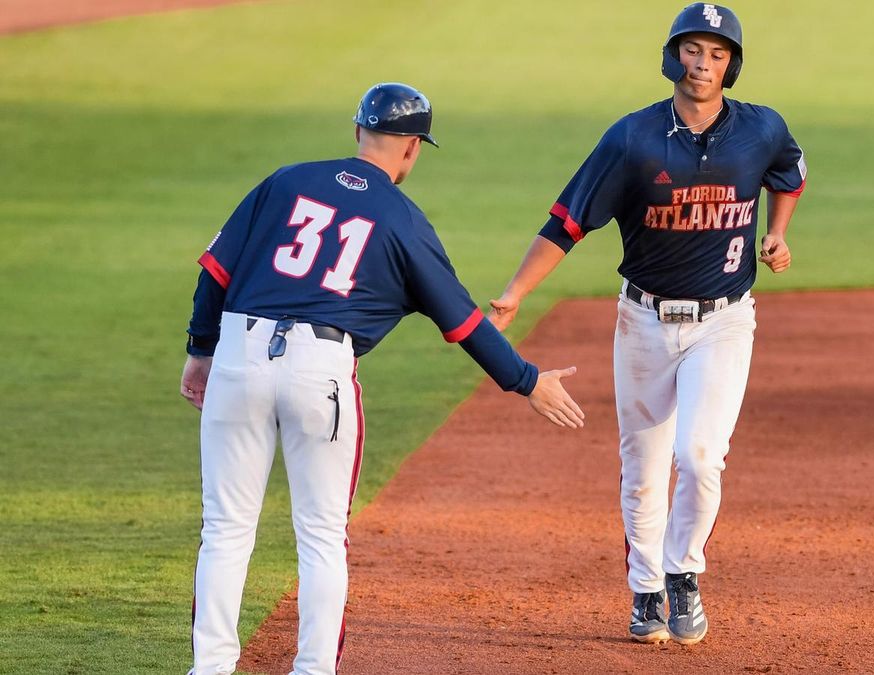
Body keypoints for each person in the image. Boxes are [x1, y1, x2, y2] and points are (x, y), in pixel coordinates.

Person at [179, 82, 585, 675]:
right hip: (320, 370)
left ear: (356, 132)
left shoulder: (285, 181)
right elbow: (466, 321)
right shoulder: (404, 220)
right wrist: (526, 380)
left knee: (225, 529)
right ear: (414, 149)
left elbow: (215, 271)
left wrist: (199, 350)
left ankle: (210, 668)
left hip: (239, 356)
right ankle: (313, 669)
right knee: (320, 537)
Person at [488, 3, 805, 646]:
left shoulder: (761, 130)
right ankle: (644, 589)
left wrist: (775, 234)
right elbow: (568, 222)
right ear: (672, 56)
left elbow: (791, 174)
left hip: (724, 321)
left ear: (732, 65)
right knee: (643, 466)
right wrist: (515, 292)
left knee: (700, 455)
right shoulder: (631, 138)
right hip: (643, 322)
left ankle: (682, 573)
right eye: (693, 50)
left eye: (717, 54)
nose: (703, 64)